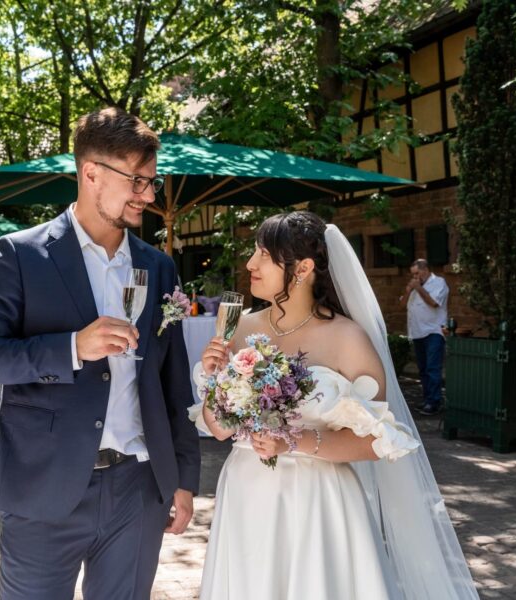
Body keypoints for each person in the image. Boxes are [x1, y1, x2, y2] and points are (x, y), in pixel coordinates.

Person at [0, 107, 200, 600]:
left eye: (152, 182)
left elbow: (174, 382)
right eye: (137, 181)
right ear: (92, 173)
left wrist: (183, 478)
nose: (148, 195)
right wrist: (73, 347)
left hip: (138, 488)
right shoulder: (22, 254)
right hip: (44, 491)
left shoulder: (159, 268)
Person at [193, 211, 477, 599]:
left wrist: (292, 442)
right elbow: (219, 428)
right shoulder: (240, 327)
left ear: (303, 268)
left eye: (263, 254)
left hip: (318, 501)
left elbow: (379, 441)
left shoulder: (347, 338)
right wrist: (215, 380)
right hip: (246, 492)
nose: (250, 264)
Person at [401, 258, 449, 415]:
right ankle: (427, 399)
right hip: (417, 332)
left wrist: (418, 288)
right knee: (423, 369)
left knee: (432, 368)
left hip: (433, 332)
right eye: (413, 274)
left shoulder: (439, 283)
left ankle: (434, 402)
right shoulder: (416, 287)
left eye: (417, 273)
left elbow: (434, 303)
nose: (415, 277)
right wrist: (409, 291)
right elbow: (402, 305)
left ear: (426, 270)